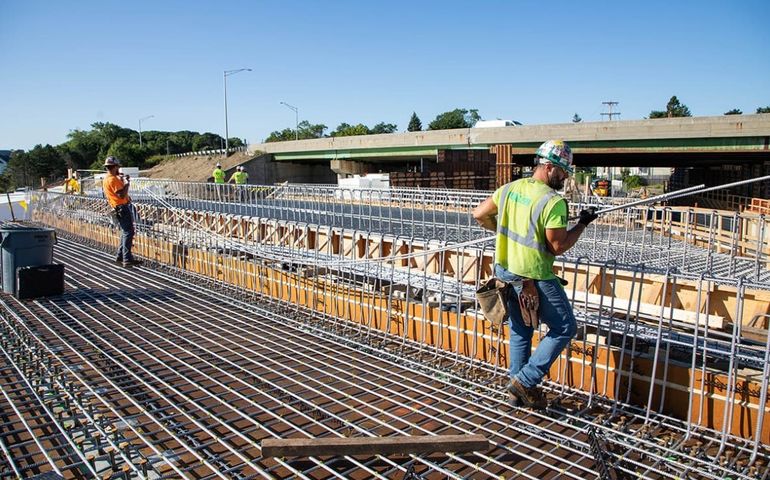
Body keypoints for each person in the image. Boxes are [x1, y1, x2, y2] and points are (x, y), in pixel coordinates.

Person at [472, 140, 597, 409]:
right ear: (549, 167)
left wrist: (504, 231)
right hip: (533, 277)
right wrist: (583, 223)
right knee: (564, 327)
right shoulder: (552, 202)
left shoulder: (509, 189)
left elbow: (480, 214)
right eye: (562, 171)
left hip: (506, 273)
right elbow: (558, 245)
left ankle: (515, 394)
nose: (564, 177)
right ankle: (526, 381)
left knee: (521, 330)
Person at [102, 156, 142, 267]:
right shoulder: (112, 179)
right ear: (114, 167)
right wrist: (127, 183)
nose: (119, 169)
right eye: (118, 167)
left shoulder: (108, 178)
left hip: (117, 207)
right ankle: (127, 258)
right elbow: (121, 194)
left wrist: (121, 179)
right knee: (129, 232)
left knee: (125, 232)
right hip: (122, 208)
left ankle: (121, 256)